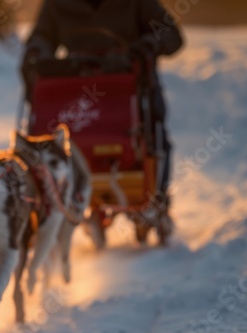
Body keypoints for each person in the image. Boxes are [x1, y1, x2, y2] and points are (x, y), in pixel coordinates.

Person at [21, 0, 183, 211]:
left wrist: (148, 44)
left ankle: (157, 196)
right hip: (78, 81)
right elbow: (42, 36)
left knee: (154, 126)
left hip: (130, 79)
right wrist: (37, 52)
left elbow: (172, 36)